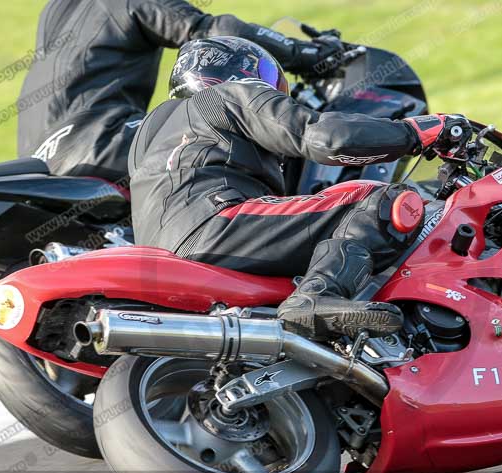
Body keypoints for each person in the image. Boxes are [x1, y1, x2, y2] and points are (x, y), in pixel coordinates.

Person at [129, 37, 471, 340]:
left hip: (158, 258)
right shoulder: (227, 95)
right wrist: (415, 132)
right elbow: (325, 137)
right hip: (218, 223)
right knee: (376, 198)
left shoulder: (147, 133)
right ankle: (317, 296)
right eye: (261, 72)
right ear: (232, 71)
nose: (268, 84)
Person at [17, 0, 344, 182]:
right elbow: (211, 31)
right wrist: (310, 55)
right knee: (239, 131)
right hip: (103, 141)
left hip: (40, 158)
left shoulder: (57, 7)